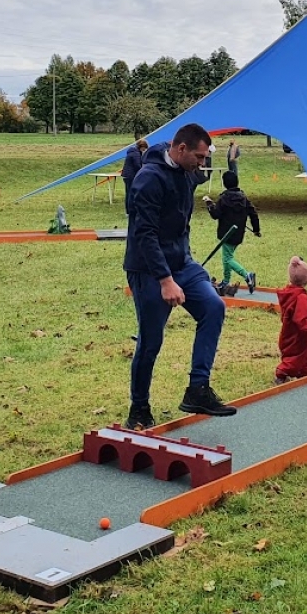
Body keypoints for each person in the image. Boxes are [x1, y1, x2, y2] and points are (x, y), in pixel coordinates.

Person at [124, 122, 236, 430]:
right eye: (199, 158)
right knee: (151, 341)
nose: (202, 165)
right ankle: (139, 407)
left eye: (205, 158)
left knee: (214, 307)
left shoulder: (187, 171)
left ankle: (197, 389)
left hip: (182, 262)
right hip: (148, 268)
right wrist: (165, 280)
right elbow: (144, 234)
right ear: (181, 149)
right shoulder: (148, 179)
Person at [202, 170, 261, 295]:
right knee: (227, 257)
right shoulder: (244, 198)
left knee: (227, 259)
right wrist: (256, 230)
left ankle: (247, 275)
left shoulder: (224, 199)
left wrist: (209, 203)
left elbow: (215, 215)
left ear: (224, 183)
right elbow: (253, 214)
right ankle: (226, 281)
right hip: (238, 234)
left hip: (227, 234)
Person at [274, 256, 307, 383]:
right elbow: (300, 318)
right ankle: (282, 372)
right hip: (299, 335)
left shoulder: (288, 293)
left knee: (299, 355)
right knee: (297, 356)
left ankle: (303, 373)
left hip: (287, 332)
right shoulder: (301, 297)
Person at [120, 138, 149, 216]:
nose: (145, 150)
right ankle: (129, 211)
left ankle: (128, 211)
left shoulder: (132, 152)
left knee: (128, 193)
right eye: (144, 148)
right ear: (141, 147)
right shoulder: (136, 154)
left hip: (127, 175)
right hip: (131, 176)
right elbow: (137, 166)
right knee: (130, 194)